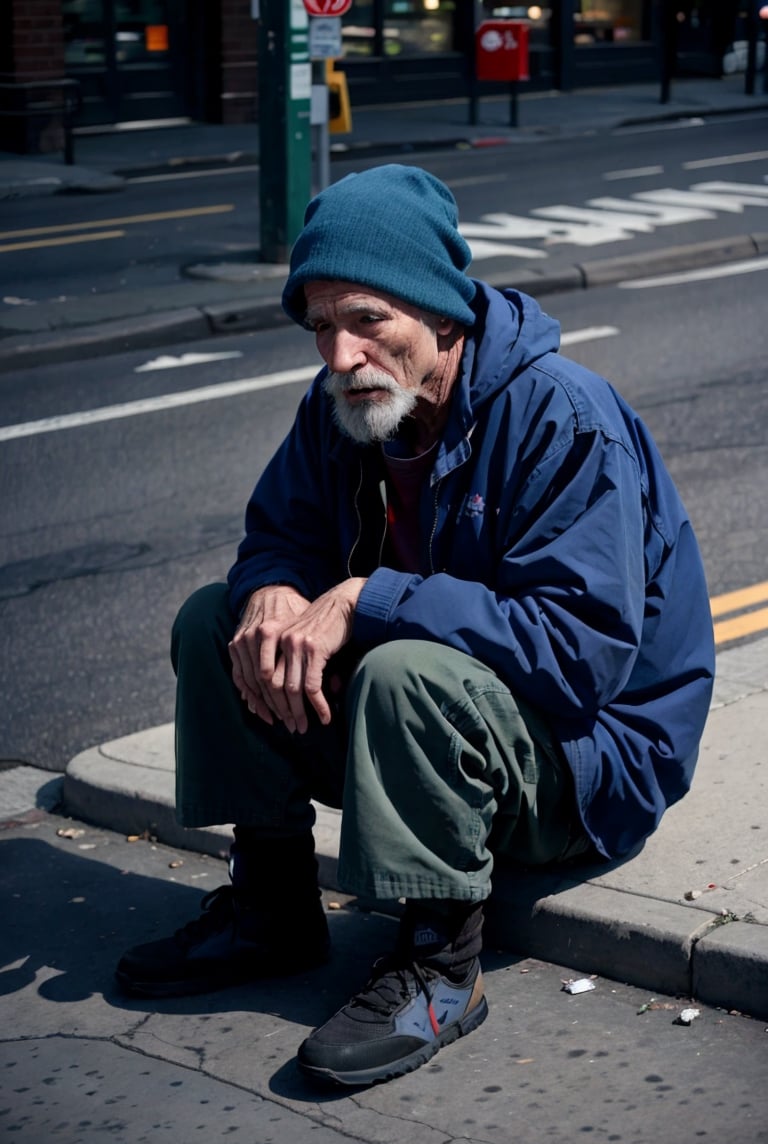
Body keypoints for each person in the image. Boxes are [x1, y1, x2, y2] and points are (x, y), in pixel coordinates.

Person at [116, 164, 715, 1088]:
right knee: (218, 621)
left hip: (589, 764)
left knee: (402, 664)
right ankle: (270, 907)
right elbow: (279, 532)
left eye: (367, 321)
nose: (340, 354)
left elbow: (581, 659)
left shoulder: (561, 414)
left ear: (442, 314)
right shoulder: (345, 408)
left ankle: (440, 963)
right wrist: (273, 587)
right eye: (321, 326)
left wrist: (368, 597)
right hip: (454, 733)